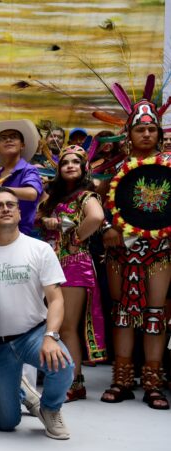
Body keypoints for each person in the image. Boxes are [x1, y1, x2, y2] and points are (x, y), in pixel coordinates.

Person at [0, 187, 73, 440]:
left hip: (33, 334)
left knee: (62, 365)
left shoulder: (40, 249)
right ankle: (22, 389)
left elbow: (56, 299)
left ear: (19, 212)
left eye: (11, 204)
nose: (5, 209)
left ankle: (50, 409)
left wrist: (51, 336)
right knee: (6, 422)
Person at [101, 96, 171, 410]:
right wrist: (107, 227)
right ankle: (122, 380)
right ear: (129, 134)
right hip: (121, 251)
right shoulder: (115, 167)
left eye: (151, 129)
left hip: (160, 251)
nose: (146, 134)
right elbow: (95, 200)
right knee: (122, 313)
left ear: (159, 133)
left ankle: (153, 384)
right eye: (140, 129)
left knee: (155, 314)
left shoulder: (168, 165)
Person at [37, 145, 106, 401]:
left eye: (76, 162)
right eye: (65, 162)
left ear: (84, 168)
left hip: (74, 263)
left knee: (66, 326)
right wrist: (46, 220)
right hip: (50, 263)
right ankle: (61, 378)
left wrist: (76, 237)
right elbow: (37, 217)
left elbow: (96, 217)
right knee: (51, 324)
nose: (70, 166)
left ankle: (74, 383)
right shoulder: (54, 197)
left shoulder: (86, 196)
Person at [0, 119, 43, 236]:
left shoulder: (29, 170)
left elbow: (31, 194)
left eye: (13, 137)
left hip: (23, 235)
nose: (8, 140)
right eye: (3, 138)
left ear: (22, 145)